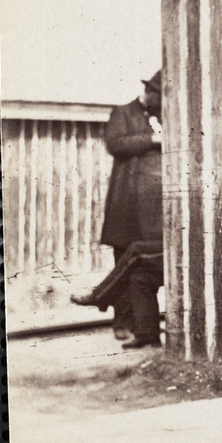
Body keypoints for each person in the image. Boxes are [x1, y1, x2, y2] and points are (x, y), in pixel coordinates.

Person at [71, 70, 164, 350]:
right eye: (159, 97)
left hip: (152, 210)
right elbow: (115, 143)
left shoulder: (163, 117)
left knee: (140, 270)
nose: (161, 103)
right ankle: (122, 324)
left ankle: (143, 329)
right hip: (126, 206)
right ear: (149, 92)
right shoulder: (122, 112)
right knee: (124, 260)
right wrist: (153, 141)